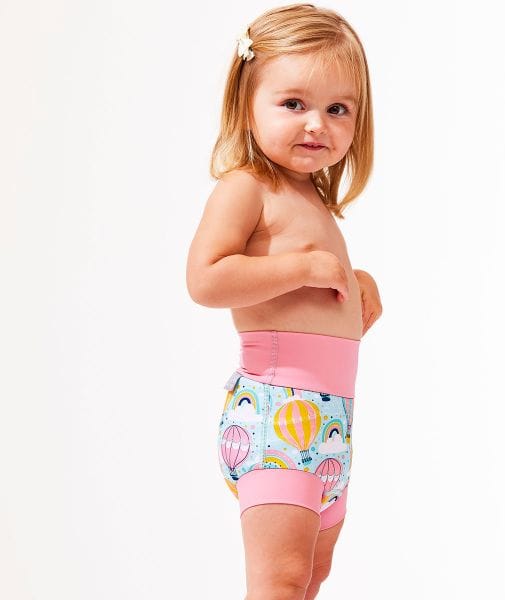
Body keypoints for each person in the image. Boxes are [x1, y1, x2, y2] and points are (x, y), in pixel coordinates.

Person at [186, 4, 382, 599]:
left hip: (332, 423)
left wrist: (354, 284)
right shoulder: (248, 187)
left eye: (338, 108)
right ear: (246, 103)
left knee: (311, 577)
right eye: (293, 103)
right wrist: (304, 268)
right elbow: (206, 279)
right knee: (280, 580)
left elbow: (309, 309)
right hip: (275, 413)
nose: (316, 124)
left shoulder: (313, 200)